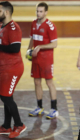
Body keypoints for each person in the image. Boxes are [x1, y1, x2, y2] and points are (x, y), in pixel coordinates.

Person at [27, 2, 58, 119]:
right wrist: (28, 50)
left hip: (46, 59)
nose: (38, 13)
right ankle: (39, 108)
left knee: (49, 83)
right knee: (36, 82)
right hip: (36, 58)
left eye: (41, 11)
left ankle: (54, 109)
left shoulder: (50, 26)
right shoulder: (34, 23)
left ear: (46, 12)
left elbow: (55, 44)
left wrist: (40, 47)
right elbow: (32, 38)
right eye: (37, 11)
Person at [0, 1, 26, 138]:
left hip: (13, 69)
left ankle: (19, 125)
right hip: (4, 68)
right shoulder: (2, 26)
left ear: (6, 12)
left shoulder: (14, 28)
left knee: (6, 96)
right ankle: (6, 126)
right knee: (5, 96)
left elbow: (15, 48)